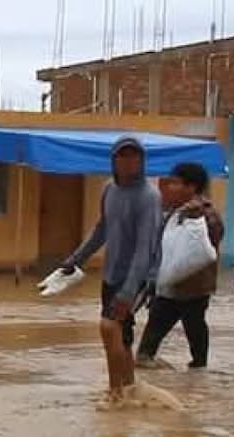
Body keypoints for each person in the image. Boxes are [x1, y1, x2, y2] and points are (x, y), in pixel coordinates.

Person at [59, 137, 162, 401]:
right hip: (111, 274)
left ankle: (115, 393)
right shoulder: (109, 190)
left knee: (108, 327)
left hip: (138, 278)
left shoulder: (149, 197)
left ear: (142, 161)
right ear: (114, 160)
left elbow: (144, 250)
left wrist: (128, 293)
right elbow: (102, 229)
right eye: (123, 157)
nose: (129, 162)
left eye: (134, 157)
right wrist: (76, 259)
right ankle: (129, 391)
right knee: (123, 338)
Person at [136, 163, 225, 369]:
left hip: (194, 288)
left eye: (175, 183)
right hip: (168, 286)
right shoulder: (174, 213)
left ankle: (198, 376)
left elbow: (207, 249)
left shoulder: (205, 214)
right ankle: (194, 373)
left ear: (191, 187)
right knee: (149, 344)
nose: (169, 187)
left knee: (194, 330)